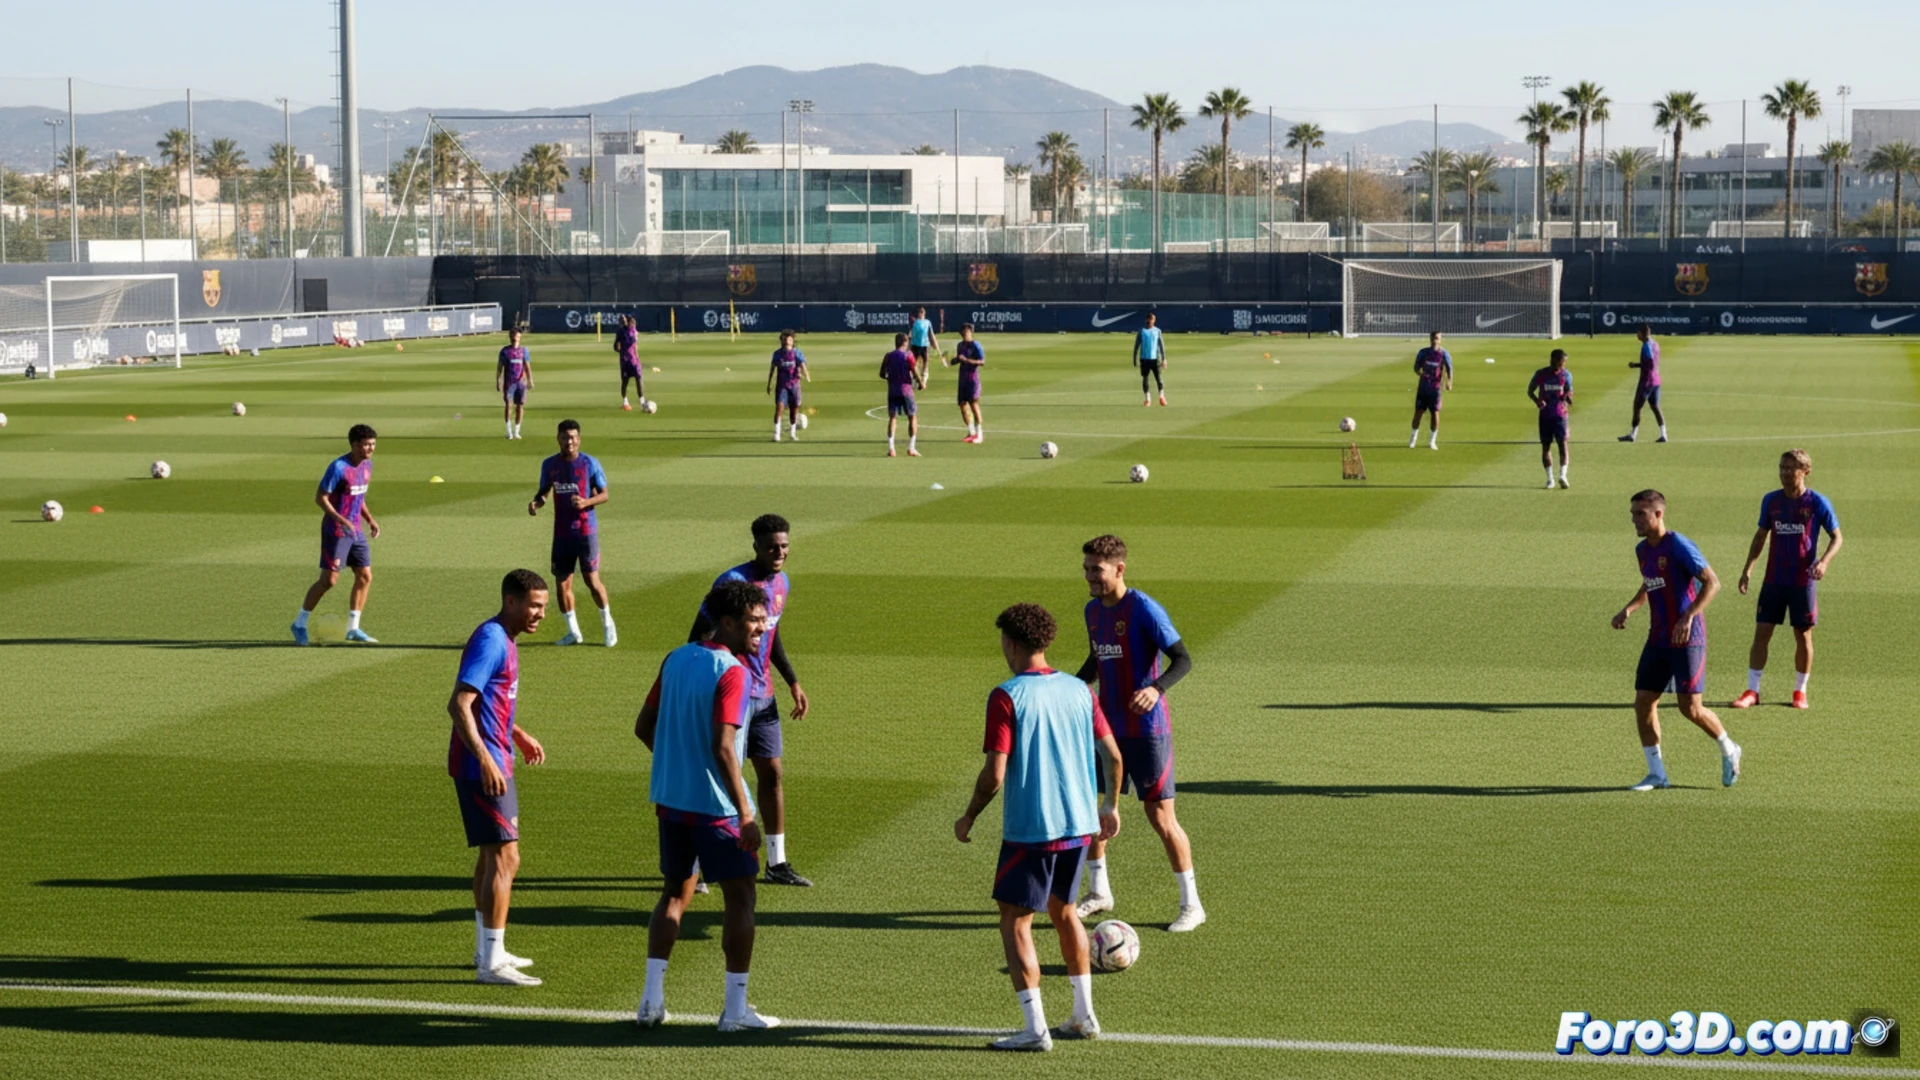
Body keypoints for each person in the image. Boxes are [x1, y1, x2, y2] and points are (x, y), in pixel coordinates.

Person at [956, 603, 1123, 1052]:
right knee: (1065, 912)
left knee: (1015, 922)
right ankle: (1084, 1015)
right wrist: (1109, 806)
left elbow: (994, 774)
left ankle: (1035, 1029)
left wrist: (969, 815)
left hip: (1032, 830)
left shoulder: (1007, 695)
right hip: (1079, 827)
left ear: (1011, 643)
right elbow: (1113, 755)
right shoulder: (1079, 690)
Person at [633, 579, 780, 1032]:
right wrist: (748, 813)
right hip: (717, 810)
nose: (763, 628)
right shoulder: (733, 671)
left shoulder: (676, 658)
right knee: (741, 898)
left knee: (674, 895)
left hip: (671, 804)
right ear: (729, 623)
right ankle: (734, 1012)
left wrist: (677, 762)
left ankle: (650, 1002)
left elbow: (644, 726)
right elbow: (722, 747)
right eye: (755, 621)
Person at [1073, 534, 1203, 931]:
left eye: (1096, 569)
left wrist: (1156, 687)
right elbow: (1096, 659)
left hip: (1148, 731)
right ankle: (1100, 892)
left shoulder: (1145, 609)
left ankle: (1192, 905)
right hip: (1108, 729)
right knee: (1092, 809)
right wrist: (1070, 691)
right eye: (1086, 569)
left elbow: (1183, 659)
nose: (1089, 577)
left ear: (1119, 569)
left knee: (1160, 816)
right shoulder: (1092, 611)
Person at [687, 514, 813, 887]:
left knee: (772, 774)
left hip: (765, 696)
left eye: (785, 545)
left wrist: (792, 680)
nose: (780, 552)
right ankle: (700, 864)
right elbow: (700, 635)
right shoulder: (732, 583)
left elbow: (772, 634)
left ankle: (777, 863)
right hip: (734, 694)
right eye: (772, 545)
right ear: (755, 545)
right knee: (724, 778)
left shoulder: (782, 583)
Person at [448, 568, 550, 986]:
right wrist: (487, 760)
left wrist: (517, 733)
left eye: (544, 607)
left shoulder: (504, 638)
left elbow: (492, 701)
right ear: (511, 601)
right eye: (534, 606)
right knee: (506, 857)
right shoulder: (492, 639)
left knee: (492, 857)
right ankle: (490, 962)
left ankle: (488, 948)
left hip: (495, 758)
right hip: (482, 767)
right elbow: (460, 704)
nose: (541, 614)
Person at [1611, 490, 1742, 791]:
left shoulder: (1680, 545)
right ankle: (1657, 774)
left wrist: (1689, 616)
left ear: (1658, 514)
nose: (1634, 520)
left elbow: (1713, 582)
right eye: (1632, 513)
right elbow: (1650, 583)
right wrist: (1628, 609)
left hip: (1688, 639)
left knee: (1690, 708)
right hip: (1657, 637)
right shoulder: (1642, 550)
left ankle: (1729, 748)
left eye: (1640, 514)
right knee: (1644, 703)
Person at [1733, 449, 1843, 710]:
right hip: (1774, 580)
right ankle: (1752, 691)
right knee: (1761, 633)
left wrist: (1824, 562)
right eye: (1781, 467)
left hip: (1802, 582)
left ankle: (1799, 692)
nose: (1783, 473)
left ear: (1805, 472)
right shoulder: (1771, 501)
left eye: (1789, 468)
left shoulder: (1817, 503)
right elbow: (1761, 536)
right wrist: (1748, 568)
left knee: (1803, 636)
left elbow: (1837, 537)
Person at [530, 420, 617, 647]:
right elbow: (544, 491)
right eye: (565, 437)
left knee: (591, 580)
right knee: (562, 584)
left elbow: (605, 494)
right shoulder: (550, 465)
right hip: (562, 533)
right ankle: (573, 632)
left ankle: (608, 623)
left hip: (586, 531)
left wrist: (586, 501)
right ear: (557, 438)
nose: (569, 441)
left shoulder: (589, 464)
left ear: (579, 439)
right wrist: (536, 503)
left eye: (573, 437)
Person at [292, 424, 381, 645]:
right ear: (354, 445)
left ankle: (353, 628)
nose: (370, 449)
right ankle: (299, 623)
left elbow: (358, 497)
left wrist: (369, 519)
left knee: (365, 576)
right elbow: (320, 497)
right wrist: (341, 519)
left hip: (356, 531)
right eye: (366, 444)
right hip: (337, 531)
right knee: (329, 581)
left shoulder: (367, 466)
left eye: (373, 444)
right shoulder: (338, 467)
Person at [1527, 348, 1574, 489]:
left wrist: (1569, 398)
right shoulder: (1541, 374)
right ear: (1555, 360)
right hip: (1545, 415)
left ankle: (1563, 476)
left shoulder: (1566, 375)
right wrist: (1537, 401)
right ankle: (1550, 479)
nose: (1564, 364)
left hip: (1561, 415)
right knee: (1545, 446)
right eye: (1563, 361)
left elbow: (1569, 391)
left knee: (1562, 444)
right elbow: (1530, 391)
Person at [880, 332, 925, 457]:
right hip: (906, 390)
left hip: (893, 390)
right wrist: (921, 383)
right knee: (912, 417)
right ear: (905, 343)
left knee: (892, 418)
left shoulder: (888, 356)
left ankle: (891, 449)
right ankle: (911, 447)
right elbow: (914, 370)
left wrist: (890, 377)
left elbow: (882, 374)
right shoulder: (908, 355)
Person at [1619, 324, 1667, 443]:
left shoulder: (1646, 346)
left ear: (1641, 333)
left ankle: (1633, 435)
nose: (1637, 335)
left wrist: (1636, 365)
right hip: (1656, 379)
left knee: (1637, 406)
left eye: (1638, 333)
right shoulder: (1655, 344)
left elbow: (1650, 361)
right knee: (1655, 406)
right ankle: (1664, 434)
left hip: (1647, 381)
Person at [1409, 330, 1451, 449]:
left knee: (1435, 413)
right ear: (1430, 339)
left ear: (1440, 340)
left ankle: (1432, 441)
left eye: (1437, 338)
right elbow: (1416, 367)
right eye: (1433, 338)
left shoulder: (1444, 354)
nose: (1435, 341)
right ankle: (1413, 438)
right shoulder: (1423, 353)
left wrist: (1449, 382)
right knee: (1418, 412)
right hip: (1423, 388)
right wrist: (1420, 373)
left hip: (1436, 389)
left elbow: (1449, 368)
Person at [767, 331, 810, 442]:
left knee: (794, 409)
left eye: (789, 339)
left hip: (794, 385)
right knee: (779, 407)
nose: (787, 341)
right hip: (782, 385)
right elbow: (772, 369)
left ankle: (792, 433)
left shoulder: (797, 353)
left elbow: (802, 365)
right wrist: (769, 383)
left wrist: (806, 375)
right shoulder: (777, 354)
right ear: (781, 340)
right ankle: (776, 433)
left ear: (792, 341)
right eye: (785, 339)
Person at [496, 329, 533, 440]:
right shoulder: (505, 351)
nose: (515, 337)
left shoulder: (524, 351)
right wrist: (498, 380)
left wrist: (530, 380)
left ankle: (517, 431)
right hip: (509, 382)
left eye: (517, 335)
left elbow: (527, 366)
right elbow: (499, 368)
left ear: (520, 336)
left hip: (521, 382)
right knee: (508, 405)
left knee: (520, 405)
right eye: (513, 335)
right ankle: (509, 431)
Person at [954, 323, 986, 443]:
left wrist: (967, 360)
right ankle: (971, 431)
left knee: (973, 404)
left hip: (973, 379)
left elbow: (982, 362)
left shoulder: (975, 345)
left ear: (971, 332)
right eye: (962, 333)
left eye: (965, 332)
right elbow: (957, 359)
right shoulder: (960, 345)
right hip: (962, 379)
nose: (963, 335)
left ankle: (979, 433)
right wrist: (953, 360)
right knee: (962, 405)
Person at [1132, 312, 1167, 407]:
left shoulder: (1157, 331)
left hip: (1155, 359)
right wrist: (1134, 358)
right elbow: (1136, 346)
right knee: (1145, 379)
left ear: (1154, 320)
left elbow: (1161, 346)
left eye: (1152, 319)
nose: (1150, 321)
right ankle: (1147, 399)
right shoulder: (1142, 331)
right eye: (1149, 319)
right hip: (1144, 359)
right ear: (1146, 320)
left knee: (1159, 379)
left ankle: (1162, 397)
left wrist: (1164, 359)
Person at [617, 315, 646, 411]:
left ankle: (642, 401)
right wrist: (620, 350)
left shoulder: (632, 331)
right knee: (625, 381)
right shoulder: (621, 332)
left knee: (639, 379)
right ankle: (625, 402)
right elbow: (616, 346)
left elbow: (632, 342)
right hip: (626, 361)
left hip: (633, 361)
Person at [908, 306, 940, 383]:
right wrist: (908, 346)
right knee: (913, 362)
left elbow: (931, 335)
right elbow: (910, 335)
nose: (921, 314)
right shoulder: (915, 323)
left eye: (922, 312)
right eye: (919, 312)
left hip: (925, 345)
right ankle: (914, 377)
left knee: (925, 361)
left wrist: (935, 345)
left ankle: (924, 377)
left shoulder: (927, 322)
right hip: (915, 345)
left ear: (924, 313)